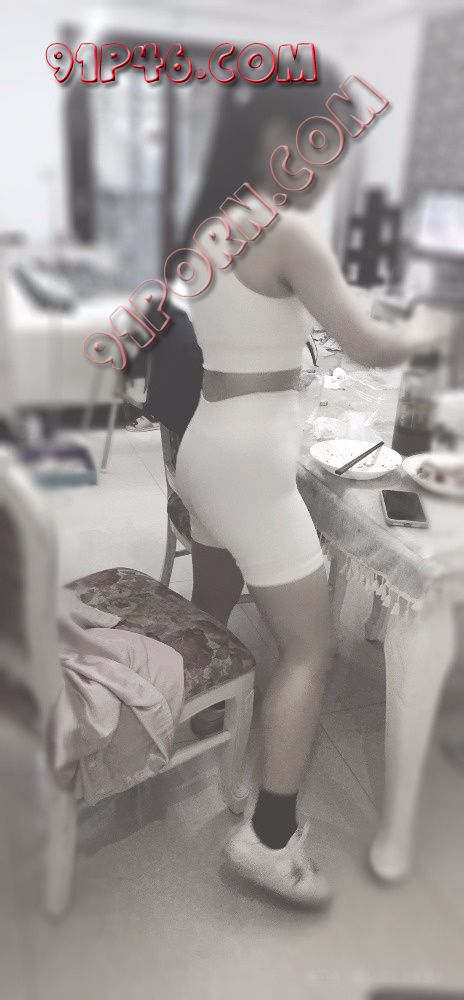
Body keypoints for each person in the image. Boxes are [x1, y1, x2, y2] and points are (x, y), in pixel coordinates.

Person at [172, 67, 450, 906]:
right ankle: (269, 839)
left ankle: (199, 715)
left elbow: (260, 324)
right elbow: (368, 346)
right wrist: (437, 319)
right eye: (325, 139)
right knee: (310, 648)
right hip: (252, 464)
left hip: (205, 443)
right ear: (278, 133)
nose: (331, 161)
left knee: (213, 595)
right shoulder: (287, 229)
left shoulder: (215, 221)